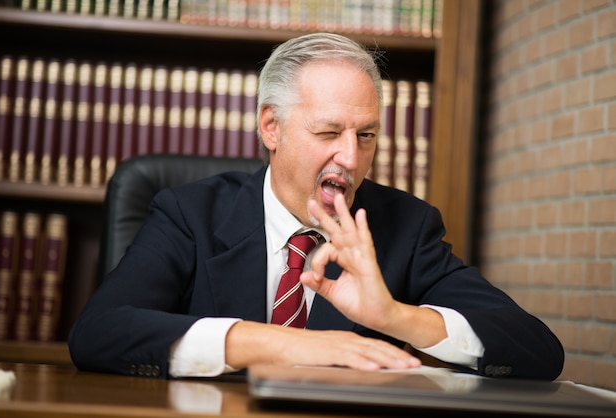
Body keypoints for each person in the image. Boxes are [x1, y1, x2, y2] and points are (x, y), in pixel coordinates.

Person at [68, 33, 564, 381]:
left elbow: (539, 351)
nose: (350, 157)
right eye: (328, 133)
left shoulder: (405, 227)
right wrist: (283, 343)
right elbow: (98, 333)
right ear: (271, 127)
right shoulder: (189, 213)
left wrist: (396, 317)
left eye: (366, 135)